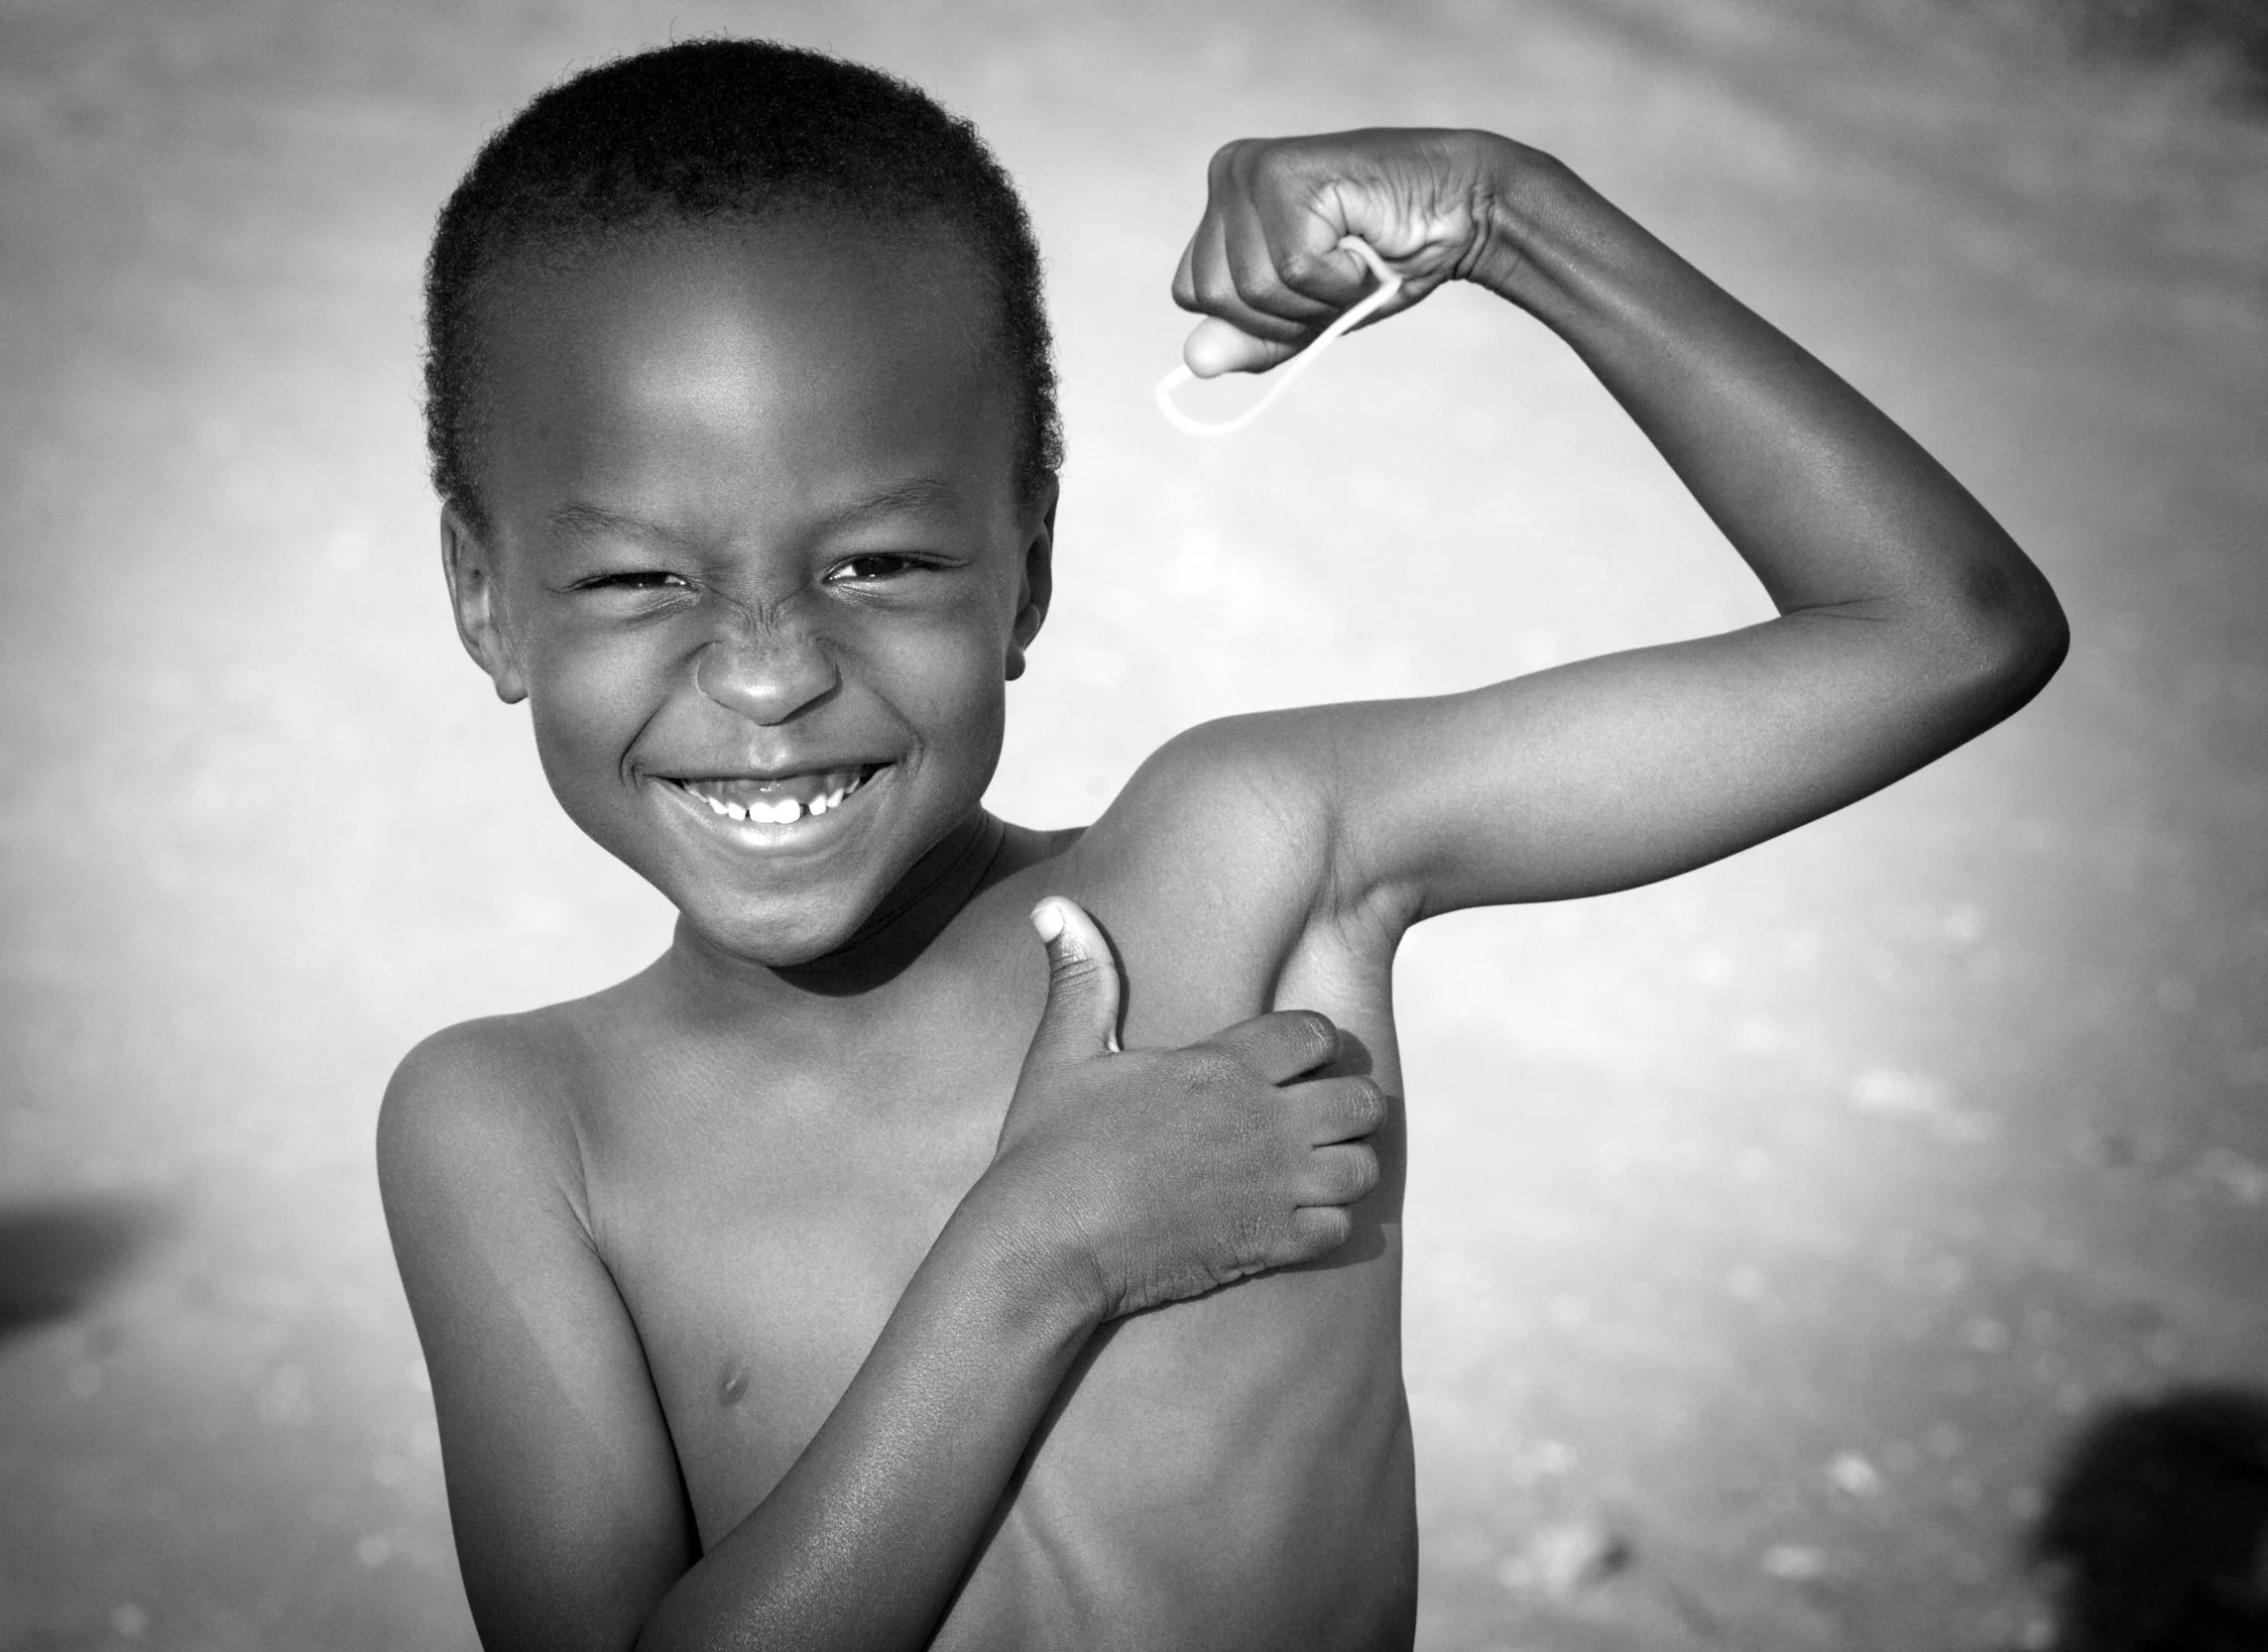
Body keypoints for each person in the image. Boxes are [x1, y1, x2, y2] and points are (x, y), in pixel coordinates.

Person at [377, 37, 2067, 1652]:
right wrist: (1043, 1247)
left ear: (1026, 567)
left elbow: (1946, 627)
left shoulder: (1249, 859)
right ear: (486, 599)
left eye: (880, 563)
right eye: (632, 579)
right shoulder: (519, 1127)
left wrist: (1506, 212)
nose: (767, 672)